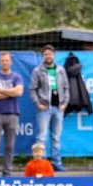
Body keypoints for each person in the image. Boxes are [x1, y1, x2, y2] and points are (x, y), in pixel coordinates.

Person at [29, 44, 70, 172]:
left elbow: (66, 88)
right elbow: (32, 89)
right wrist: (38, 103)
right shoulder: (37, 71)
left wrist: (65, 103)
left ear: (54, 55)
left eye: (50, 54)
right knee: (41, 136)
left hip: (58, 107)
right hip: (44, 108)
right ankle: (41, 164)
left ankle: (56, 163)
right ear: (43, 56)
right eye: (45, 54)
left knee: (56, 136)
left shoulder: (60, 70)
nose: (48, 56)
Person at [0, 51, 24, 177]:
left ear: (11, 62)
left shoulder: (17, 77)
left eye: (7, 60)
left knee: (10, 147)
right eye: (2, 60)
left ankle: (7, 172)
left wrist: (1, 90)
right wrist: (10, 92)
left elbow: (19, 92)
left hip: (13, 114)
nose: (5, 62)